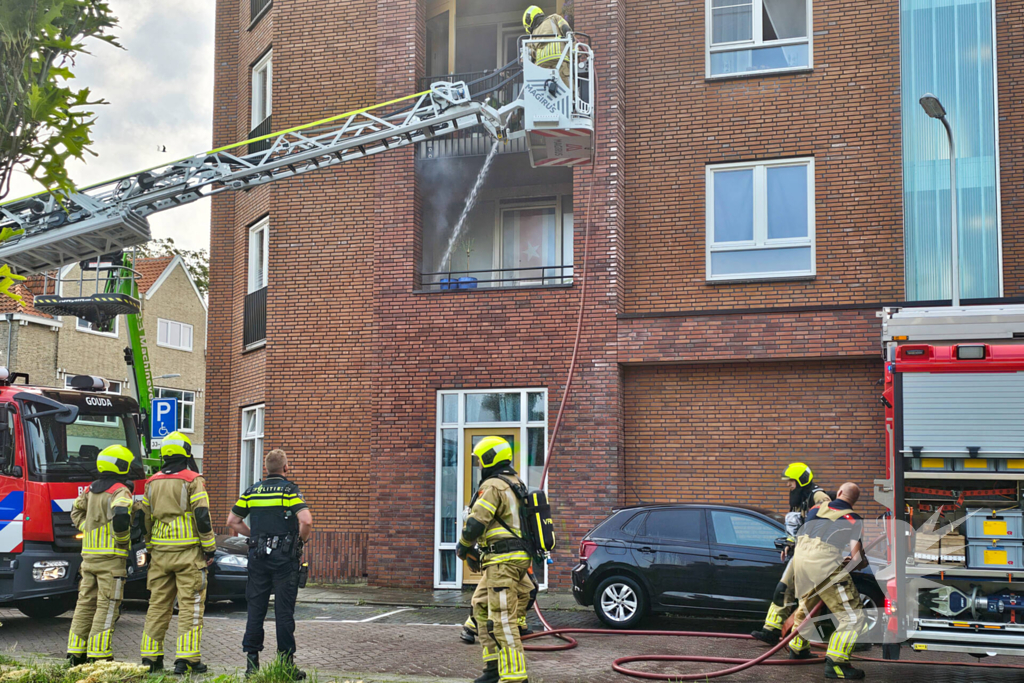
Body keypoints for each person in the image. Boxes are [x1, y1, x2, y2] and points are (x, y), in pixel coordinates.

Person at [227, 448, 313, 678]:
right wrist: (300, 543)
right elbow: (306, 521)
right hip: (284, 560)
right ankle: (286, 666)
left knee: (255, 611)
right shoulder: (289, 491)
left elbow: (232, 521)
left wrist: (253, 536)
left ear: (267, 469)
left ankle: (251, 667)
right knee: (284, 613)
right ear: (285, 468)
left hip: (258, 558)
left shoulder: (253, 491)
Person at [138, 431, 216, 674]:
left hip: (160, 554)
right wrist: (209, 546)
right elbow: (202, 516)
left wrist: (150, 547)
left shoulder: (151, 482)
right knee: (191, 606)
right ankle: (187, 659)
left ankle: (151, 658)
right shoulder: (193, 480)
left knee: (157, 605)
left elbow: (145, 519)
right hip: (188, 553)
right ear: (186, 453)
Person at [457, 436, 533, 683]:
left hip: (503, 562)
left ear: (490, 458)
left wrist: (463, 546)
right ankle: (493, 669)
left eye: (480, 459)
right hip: (509, 560)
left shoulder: (492, 486)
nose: (479, 464)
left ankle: (514, 677)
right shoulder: (514, 482)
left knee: (501, 619)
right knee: (480, 606)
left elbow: (477, 521)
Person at [787, 483, 869, 680]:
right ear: (854, 501)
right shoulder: (854, 519)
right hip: (823, 565)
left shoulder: (815, 509)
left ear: (839, 493)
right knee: (852, 616)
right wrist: (855, 563)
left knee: (807, 606)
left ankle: (798, 648)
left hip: (800, 562)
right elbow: (856, 559)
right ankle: (838, 664)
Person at [66, 444, 136, 664]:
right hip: (111, 559)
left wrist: (86, 527)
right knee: (107, 605)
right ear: (122, 466)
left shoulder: (90, 489)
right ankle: (99, 654)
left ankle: (75, 652)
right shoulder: (119, 491)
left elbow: (75, 511)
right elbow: (122, 514)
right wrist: (123, 540)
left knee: (85, 603)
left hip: (89, 557)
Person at [750, 462, 831, 646]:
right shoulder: (798, 497)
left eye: (791, 481)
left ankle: (799, 644)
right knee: (782, 590)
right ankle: (771, 631)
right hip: (801, 552)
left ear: (801, 480)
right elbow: (795, 526)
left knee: (806, 600)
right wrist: (790, 543)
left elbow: (828, 522)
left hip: (813, 555)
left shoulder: (818, 496)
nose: (788, 484)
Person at [460, 566, 538, 644]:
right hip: (502, 560)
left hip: (512, 560)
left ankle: (516, 624)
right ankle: (475, 622)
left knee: (528, 592)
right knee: (525, 592)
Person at [522, 5, 572, 89]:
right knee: (567, 89)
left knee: (543, 91)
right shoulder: (554, 18)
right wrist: (575, 52)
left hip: (542, 66)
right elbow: (567, 31)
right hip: (560, 58)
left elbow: (528, 54)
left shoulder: (532, 35)